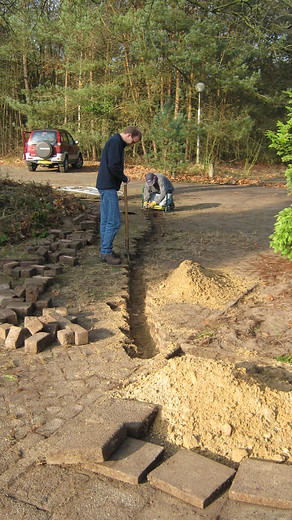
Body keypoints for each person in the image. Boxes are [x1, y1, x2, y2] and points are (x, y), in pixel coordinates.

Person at [96, 126, 142, 265]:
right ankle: (105, 252)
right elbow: (113, 165)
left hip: (104, 185)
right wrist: (123, 177)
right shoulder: (116, 142)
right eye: (133, 141)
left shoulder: (115, 142)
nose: (132, 145)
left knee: (105, 220)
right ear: (128, 135)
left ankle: (105, 249)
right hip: (108, 186)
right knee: (114, 221)